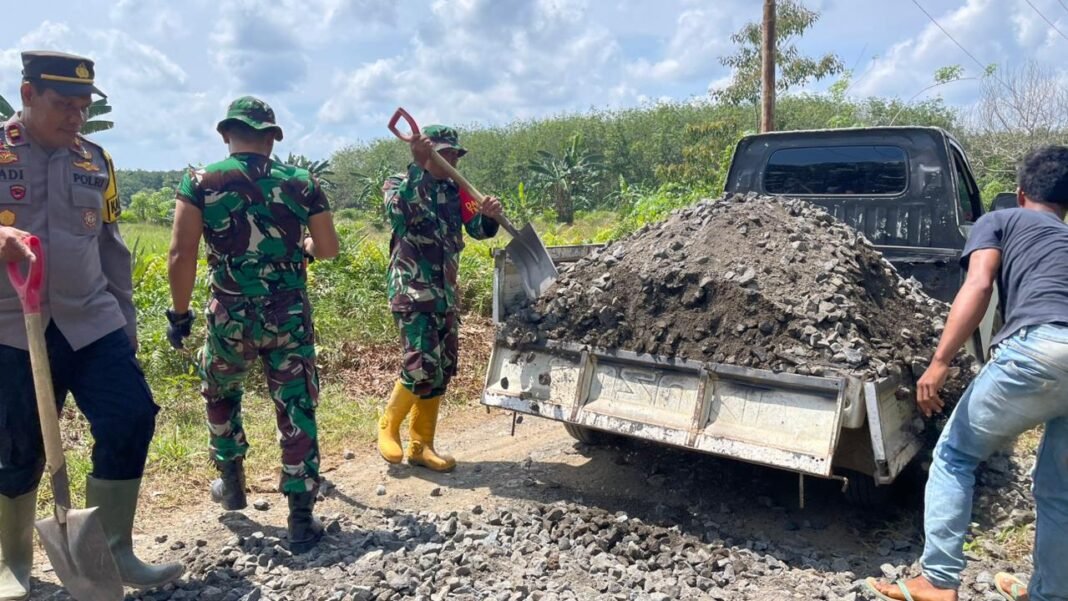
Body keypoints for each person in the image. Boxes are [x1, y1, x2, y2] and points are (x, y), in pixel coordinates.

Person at [0, 51, 184, 599]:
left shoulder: (96, 160)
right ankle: (13, 562)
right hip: (13, 324)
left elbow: (111, 247)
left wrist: (124, 322)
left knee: (130, 417)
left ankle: (113, 548)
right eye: (63, 105)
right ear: (28, 95)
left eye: (83, 107)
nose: (75, 117)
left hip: (91, 319)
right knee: (17, 446)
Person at [865, 146, 1068, 601]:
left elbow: (977, 285)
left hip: (1038, 349)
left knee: (955, 456)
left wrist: (939, 363)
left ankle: (937, 580)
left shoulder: (1001, 221)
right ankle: (1051, 593)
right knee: (1059, 491)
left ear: (1019, 195)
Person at [166, 96, 339, 554]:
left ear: (226, 134)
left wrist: (179, 315)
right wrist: (300, 244)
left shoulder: (200, 180)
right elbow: (327, 248)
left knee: (221, 392)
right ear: (271, 138)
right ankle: (301, 518)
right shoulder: (302, 182)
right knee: (296, 404)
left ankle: (232, 482)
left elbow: (181, 253)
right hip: (289, 315)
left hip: (230, 314)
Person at [378, 125, 502, 472]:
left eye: (455, 155)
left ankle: (421, 445)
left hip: (445, 294)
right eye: (445, 153)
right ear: (427, 153)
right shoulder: (397, 183)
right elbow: (401, 215)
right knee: (421, 366)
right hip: (412, 292)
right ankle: (388, 425)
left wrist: (488, 216)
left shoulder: (455, 190)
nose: (452, 160)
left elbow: (476, 230)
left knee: (442, 369)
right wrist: (418, 168)